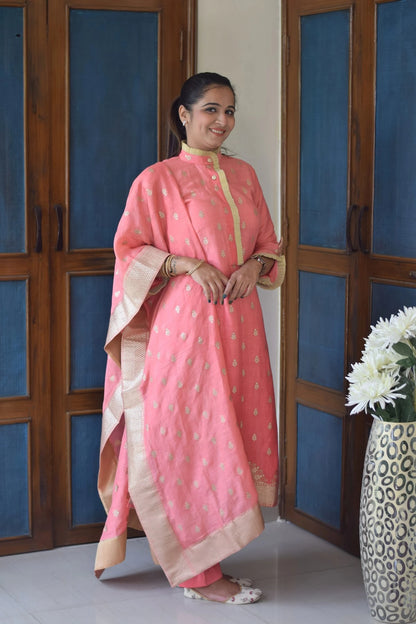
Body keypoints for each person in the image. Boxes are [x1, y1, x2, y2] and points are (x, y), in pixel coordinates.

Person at [94, 72, 285, 604]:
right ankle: (199, 574)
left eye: (229, 111)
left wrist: (255, 264)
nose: (221, 122)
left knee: (229, 431)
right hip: (185, 329)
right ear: (184, 114)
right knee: (190, 433)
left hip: (239, 326)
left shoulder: (244, 176)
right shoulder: (156, 181)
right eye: (210, 110)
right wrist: (185, 262)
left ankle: (206, 560)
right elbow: (129, 251)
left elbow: (271, 243)